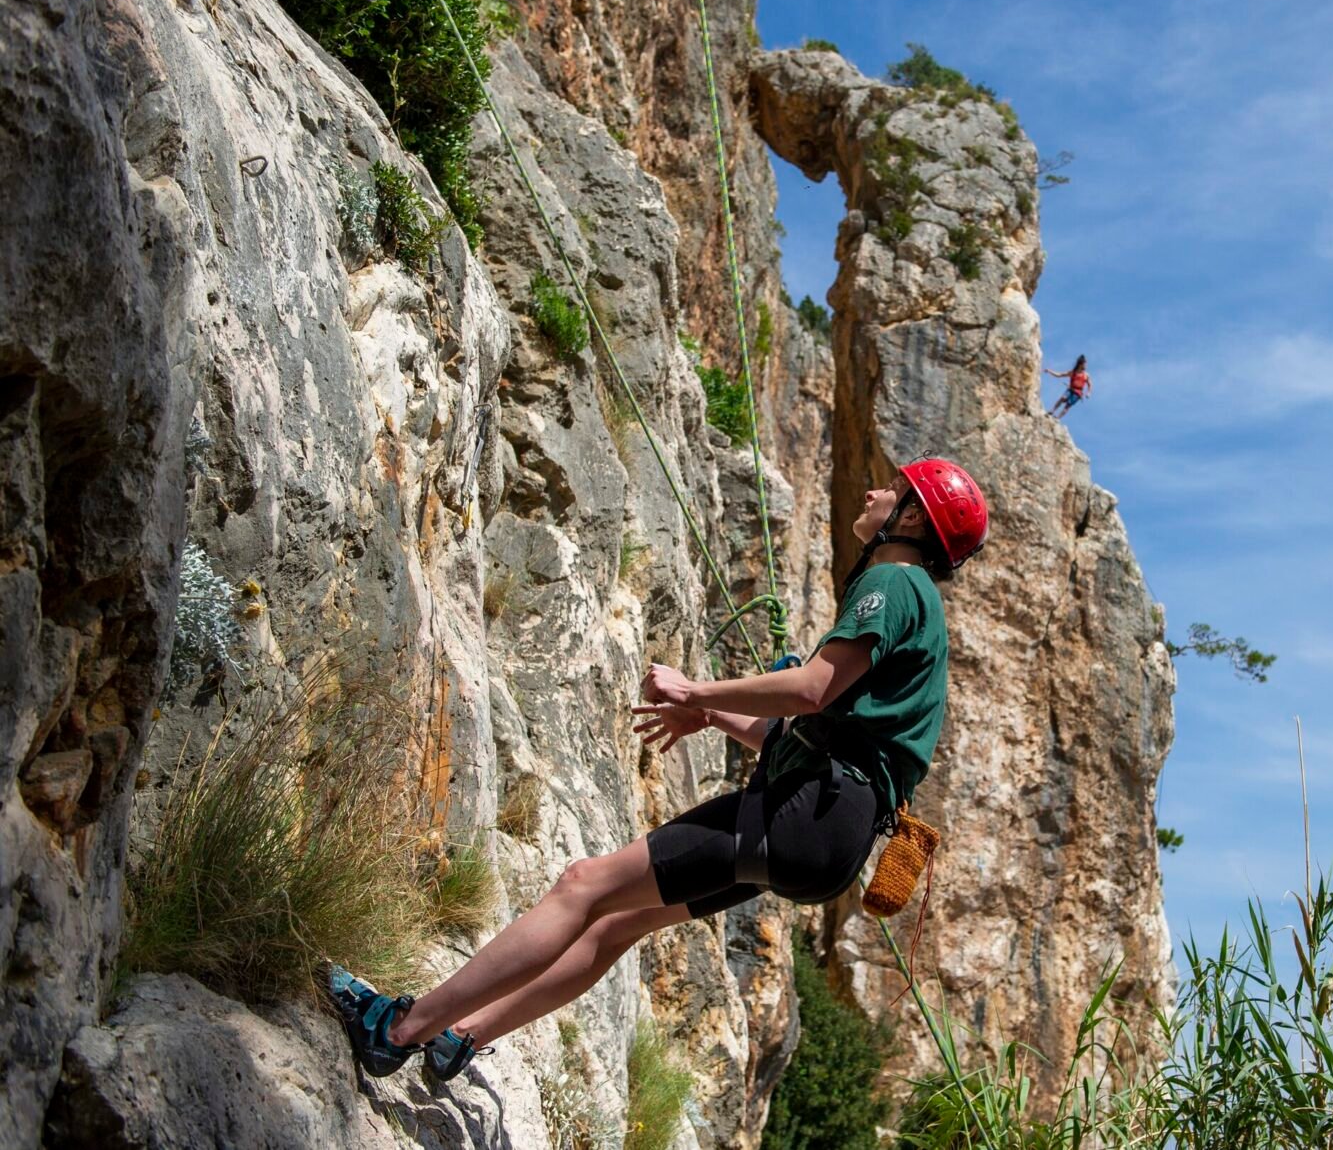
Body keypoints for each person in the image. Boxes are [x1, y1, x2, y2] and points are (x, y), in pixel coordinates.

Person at [326, 457, 989, 1081]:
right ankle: (462, 1033)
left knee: (583, 883)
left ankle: (401, 1028)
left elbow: (811, 690)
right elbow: (819, 731)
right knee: (619, 921)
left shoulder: (893, 581)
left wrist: (695, 692)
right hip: (826, 832)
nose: (875, 492)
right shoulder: (921, 609)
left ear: (910, 519)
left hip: (808, 812)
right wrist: (714, 718)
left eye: (891, 489)